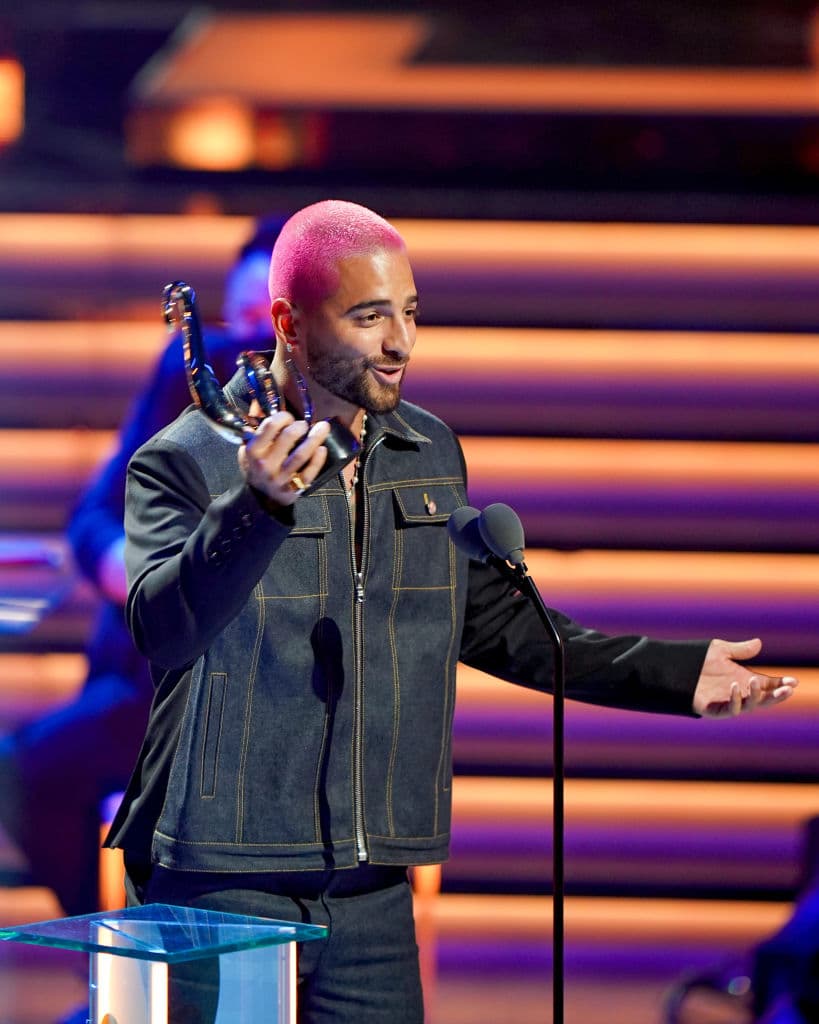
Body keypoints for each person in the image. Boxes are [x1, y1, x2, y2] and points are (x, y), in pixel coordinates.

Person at [110, 199, 798, 1024]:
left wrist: (674, 673)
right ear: (289, 323)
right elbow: (163, 628)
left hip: (371, 889)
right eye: (368, 317)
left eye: (409, 313)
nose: (399, 342)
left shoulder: (425, 450)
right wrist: (255, 508)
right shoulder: (185, 460)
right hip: (224, 876)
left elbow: (498, 625)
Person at [0, 216, 284, 917]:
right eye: (236, 321)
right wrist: (130, 568)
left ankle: (167, 975)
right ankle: (126, 961)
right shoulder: (186, 380)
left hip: (262, 706)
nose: (239, 347)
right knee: (27, 771)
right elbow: (94, 515)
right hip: (145, 692)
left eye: (264, 330)